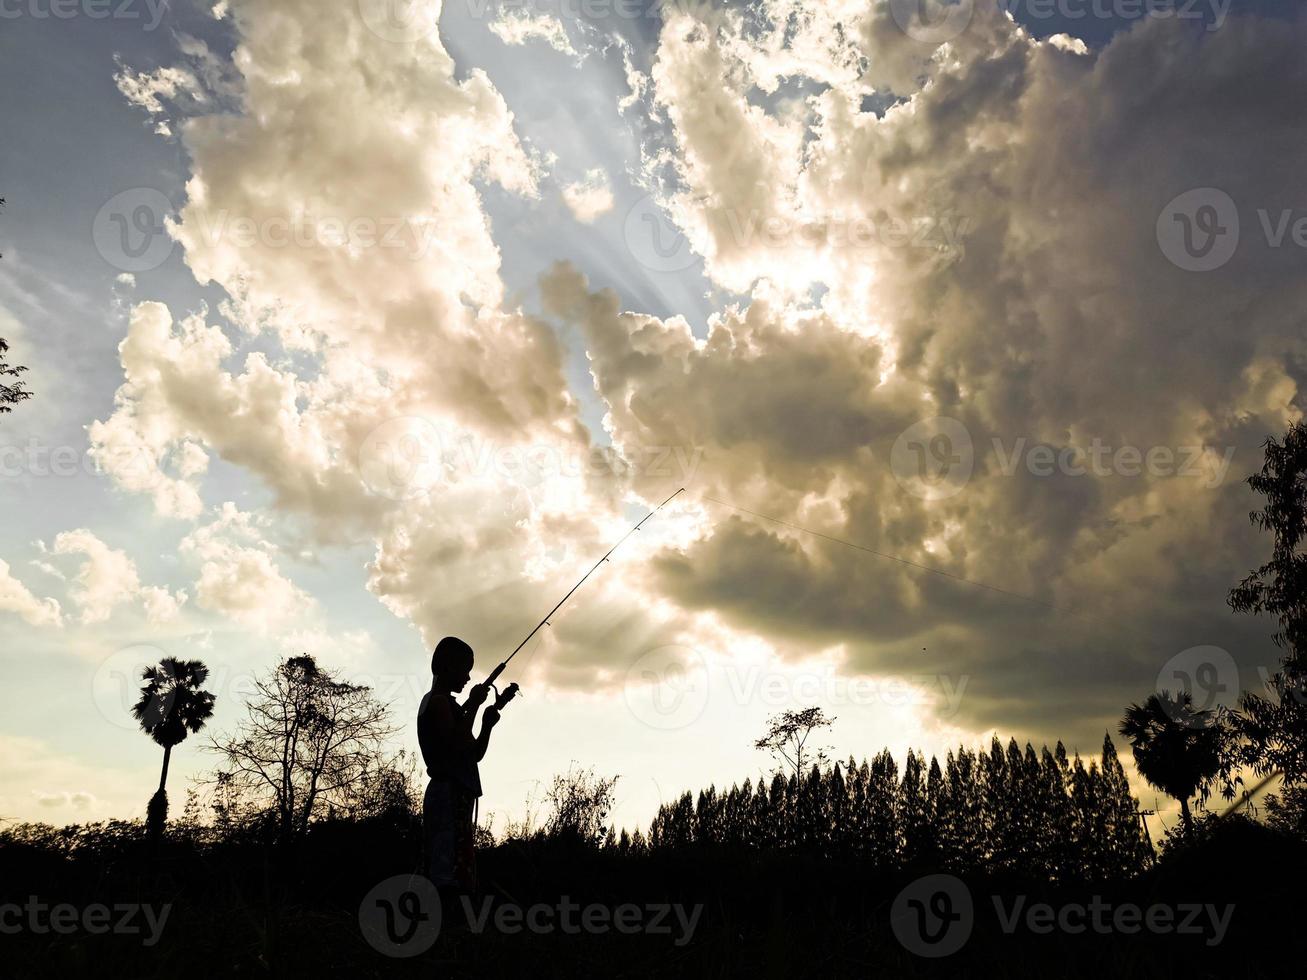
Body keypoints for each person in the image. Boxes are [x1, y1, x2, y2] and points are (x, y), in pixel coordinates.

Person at [417, 636, 500, 892]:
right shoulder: (437, 701)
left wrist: (486, 725)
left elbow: (472, 753)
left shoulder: (448, 704)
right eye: (464, 670)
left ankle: (450, 919)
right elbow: (455, 743)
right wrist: (474, 705)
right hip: (447, 792)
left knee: (456, 855)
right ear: (446, 667)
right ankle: (445, 918)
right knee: (447, 860)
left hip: (456, 793)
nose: (467, 677)